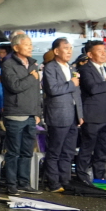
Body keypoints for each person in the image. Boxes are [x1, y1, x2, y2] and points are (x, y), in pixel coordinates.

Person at [0, 33, 43, 195]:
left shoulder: (32, 64)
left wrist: (37, 112)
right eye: (27, 45)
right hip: (15, 113)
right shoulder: (8, 64)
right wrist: (32, 77)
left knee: (27, 151)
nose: (30, 48)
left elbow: (36, 92)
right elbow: (15, 86)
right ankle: (11, 184)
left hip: (31, 114)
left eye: (31, 45)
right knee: (14, 152)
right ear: (16, 47)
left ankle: (24, 182)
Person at [41, 38, 83, 192]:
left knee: (69, 150)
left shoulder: (71, 67)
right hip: (58, 114)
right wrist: (72, 83)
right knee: (55, 150)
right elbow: (52, 89)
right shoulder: (50, 68)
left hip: (72, 114)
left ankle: (65, 180)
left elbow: (77, 93)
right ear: (56, 51)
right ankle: (53, 182)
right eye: (66, 48)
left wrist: (80, 113)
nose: (69, 51)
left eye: (71, 48)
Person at [79, 41, 106, 184]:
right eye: (99, 51)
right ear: (90, 54)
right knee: (87, 148)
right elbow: (93, 88)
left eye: (104, 50)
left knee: (103, 149)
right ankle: (82, 177)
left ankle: (99, 177)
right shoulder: (85, 69)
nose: (104, 53)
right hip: (92, 115)